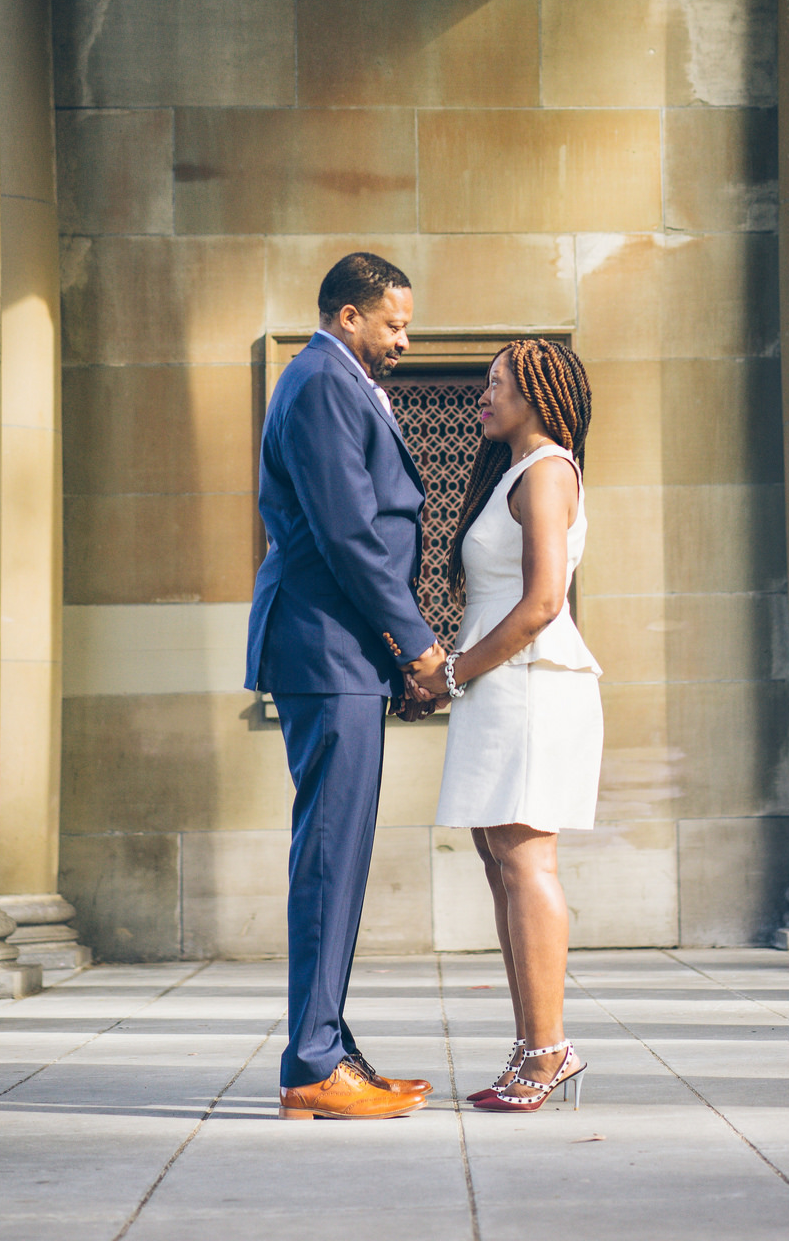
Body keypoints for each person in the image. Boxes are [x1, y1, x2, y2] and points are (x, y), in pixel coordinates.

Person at [246, 251, 447, 1122]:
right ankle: (313, 1063)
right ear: (346, 315)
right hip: (328, 649)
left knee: (340, 854)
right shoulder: (322, 380)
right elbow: (347, 531)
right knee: (330, 855)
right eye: (393, 323)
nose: (404, 338)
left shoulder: (337, 379)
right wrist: (413, 644)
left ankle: (329, 1046)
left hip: (339, 653)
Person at [407, 338, 601, 1113]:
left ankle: (548, 1049)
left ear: (535, 395)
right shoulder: (516, 474)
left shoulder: (548, 470)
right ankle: (532, 1046)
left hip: (530, 684)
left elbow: (543, 602)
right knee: (500, 862)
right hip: (501, 687)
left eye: (495, 385)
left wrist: (453, 674)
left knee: (526, 862)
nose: (482, 397)